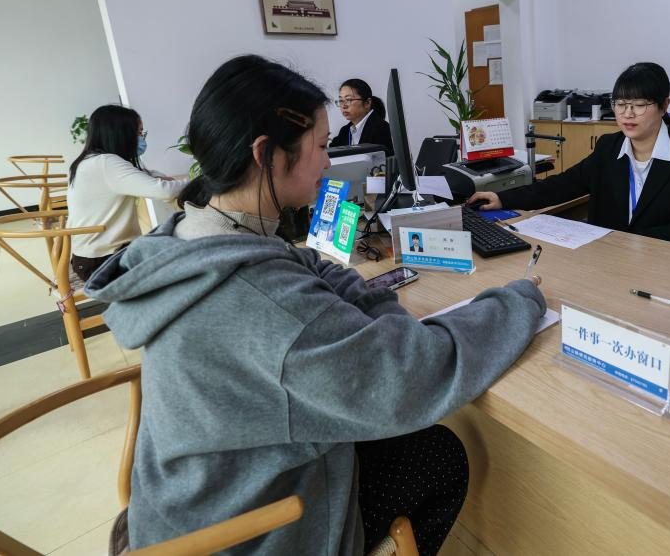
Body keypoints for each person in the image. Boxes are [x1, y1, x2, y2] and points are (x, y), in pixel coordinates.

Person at [85, 55, 546, 555]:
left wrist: (359, 297)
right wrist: (519, 299)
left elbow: (302, 261)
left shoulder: (190, 236)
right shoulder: (266, 301)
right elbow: (412, 374)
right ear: (267, 155)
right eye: (322, 147)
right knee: (438, 456)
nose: (328, 162)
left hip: (182, 505)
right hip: (250, 532)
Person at [467, 62, 670, 250]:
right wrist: (504, 198)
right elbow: (564, 184)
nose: (627, 114)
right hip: (607, 261)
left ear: (665, 105)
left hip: (664, 264)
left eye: (639, 105)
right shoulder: (609, 148)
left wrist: (638, 240)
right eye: (620, 104)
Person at [66, 105, 187, 282]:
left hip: (91, 258)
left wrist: (167, 179)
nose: (141, 139)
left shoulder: (89, 161)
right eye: (138, 133)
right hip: (104, 263)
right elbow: (164, 192)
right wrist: (197, 181)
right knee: (181, 258)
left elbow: (146, 176)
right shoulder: (107, 163)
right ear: (121, 134)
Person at [330, 78, 394, 156]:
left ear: (367, 103)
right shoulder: (345, 131)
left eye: (348, 100)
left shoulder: (382, 128)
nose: (343, 106)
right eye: (341, 101)